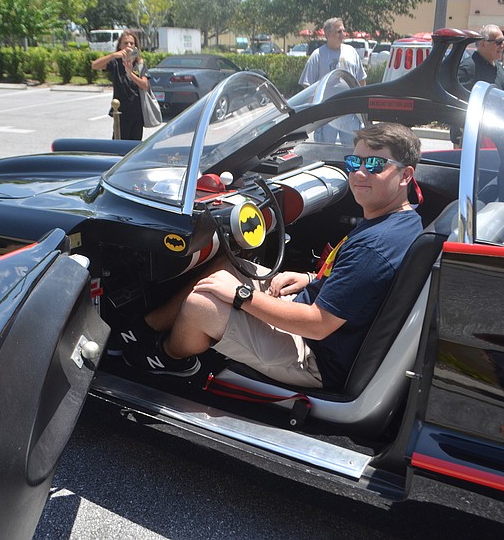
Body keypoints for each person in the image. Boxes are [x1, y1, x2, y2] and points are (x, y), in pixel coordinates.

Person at [122, 123, 423, 390]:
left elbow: (318, 325)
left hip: (316, 357)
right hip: (318, 321)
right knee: (228, 265)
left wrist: (240, 296)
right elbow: (360, 288)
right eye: (354, 161)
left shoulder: (376, 246)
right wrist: (310, 278)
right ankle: (144, 329)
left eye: (375, 164)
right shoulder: (399, 221)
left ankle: (168, 359)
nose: (359, 172)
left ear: (405, 175)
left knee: (202, 305)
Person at [299, 18, 367, 146]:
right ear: (328, 35)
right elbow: (306, 85)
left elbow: (361, 79)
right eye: (338, 32)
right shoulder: (318, 55)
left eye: (343, 31)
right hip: (326, 115)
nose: (343, 34)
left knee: (351, 148)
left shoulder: (351, 52)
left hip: (349, 112)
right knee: (325, 149)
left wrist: (361, 104)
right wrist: (315, 109)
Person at [451, 24, 504, 147]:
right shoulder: (468, 68)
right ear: (483, 43)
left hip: (496, 134)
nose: (503, 45)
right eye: (499, 42)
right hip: (471, 139)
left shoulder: (498, 67)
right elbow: (457, 104)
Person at [91, 31, 150, 141]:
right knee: (118, 145)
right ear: (120, 46)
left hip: (137, 113)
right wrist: (113, 55)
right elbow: (94, 65)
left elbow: (145, 85)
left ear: (135, 46)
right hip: (120, 113)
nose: (129, 46)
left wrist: (130, 74)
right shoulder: (115, 63)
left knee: (134, 147)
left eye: (131, 43)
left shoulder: (140, 63)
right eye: (125, 43)